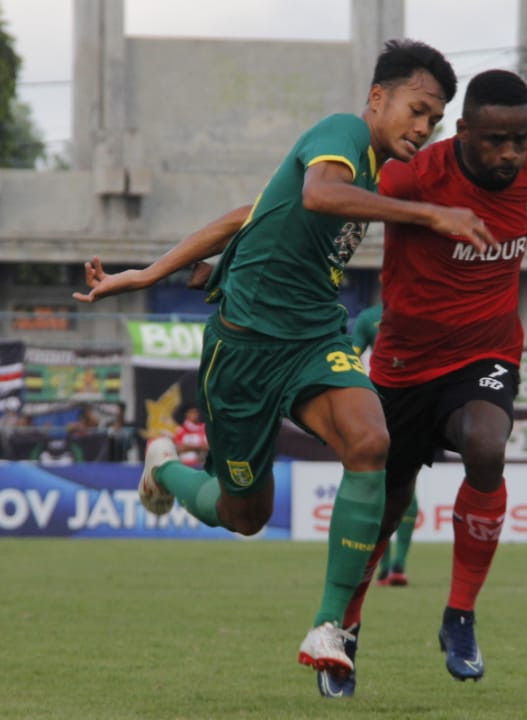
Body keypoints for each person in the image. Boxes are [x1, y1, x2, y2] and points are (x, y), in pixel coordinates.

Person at [72, 39, 495, 682]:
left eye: (433, 120)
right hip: (242, 354)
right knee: (245, 515)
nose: (422, 127)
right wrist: (429, 214)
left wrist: (159, 270)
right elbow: (320, 196)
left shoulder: (371, 172)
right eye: (417, 109)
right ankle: (165, 467)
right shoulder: (343, 133)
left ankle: (330, 627)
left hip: (313, 338)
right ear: (378, 98)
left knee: (370, 440)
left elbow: (250, 215)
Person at [317, 68, 527, 697]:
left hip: (485, 353)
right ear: (461, 131)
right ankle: (344, 631)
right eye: (495, 140)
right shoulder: (412, 174)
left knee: (487, 445)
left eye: (519, 139)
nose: (510, 154)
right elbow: (322, 206)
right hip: (402, 367)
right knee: (381, 513)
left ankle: (460, 615)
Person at [351, 300, 417, 588]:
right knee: (390, 483)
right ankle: (387, 565)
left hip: (414, 402)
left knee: (399, 480)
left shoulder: (422, 311)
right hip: (383, 402)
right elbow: (352, 357)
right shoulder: (369, 317)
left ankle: (395, 565)